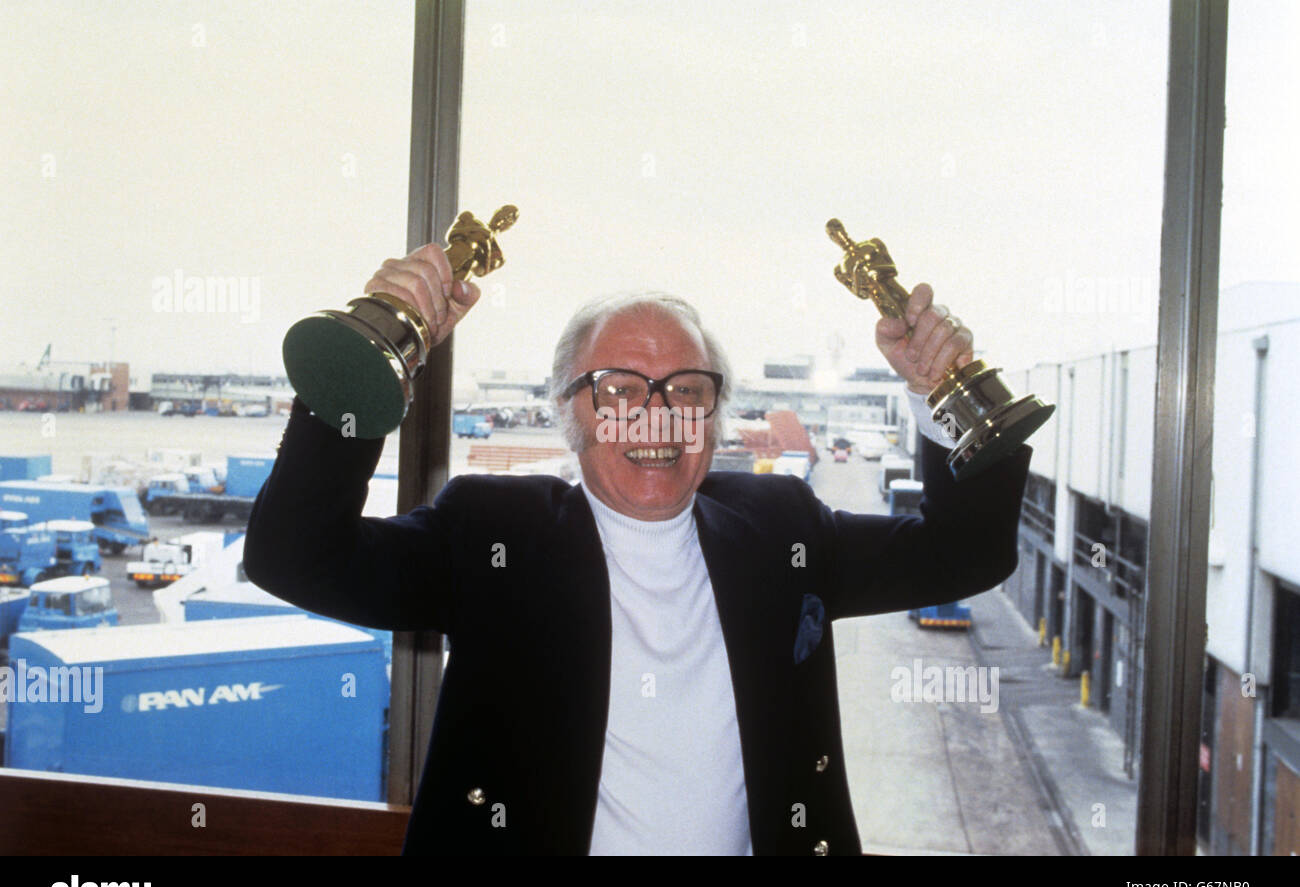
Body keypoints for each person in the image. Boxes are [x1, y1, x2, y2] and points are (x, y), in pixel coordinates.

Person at [241, 242, 1031, 855]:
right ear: (569, 413)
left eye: (687, 389)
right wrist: (372, 356)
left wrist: (938, 396)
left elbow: (966, 552)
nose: (656, 416)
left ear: (714, 418)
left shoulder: (780, 530)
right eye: (618, 388)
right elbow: (295, 554)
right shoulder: (493, 535)